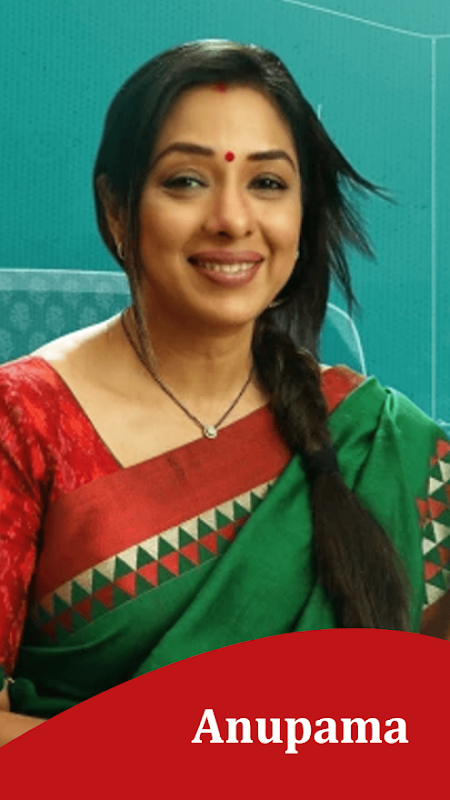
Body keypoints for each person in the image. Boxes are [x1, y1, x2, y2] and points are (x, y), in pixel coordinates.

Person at [0, 39, 449, 745]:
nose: (232, 220)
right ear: (116, 208)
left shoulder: (378, 439)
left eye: (267, 183)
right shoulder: (24, 422)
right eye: (186, 181)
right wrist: (215, 755)